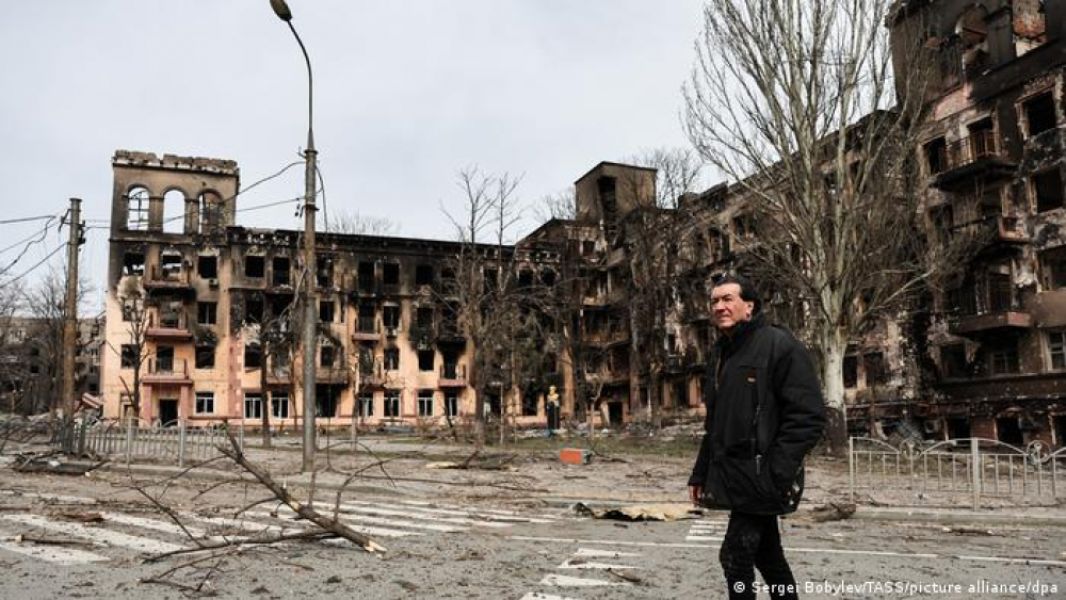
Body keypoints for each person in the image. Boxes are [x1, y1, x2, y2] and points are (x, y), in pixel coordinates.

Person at [688, 274, 825, 600]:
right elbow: (716, 423)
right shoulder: (721, 354)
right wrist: (700, 473)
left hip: (763, 474)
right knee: (768, 556)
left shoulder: (779, 345)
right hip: (735, 472)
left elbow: (808, 416)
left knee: (734, 556)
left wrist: (777, 470)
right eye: (715, 301)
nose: (719, 306)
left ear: (749, 306)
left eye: (728, 299)